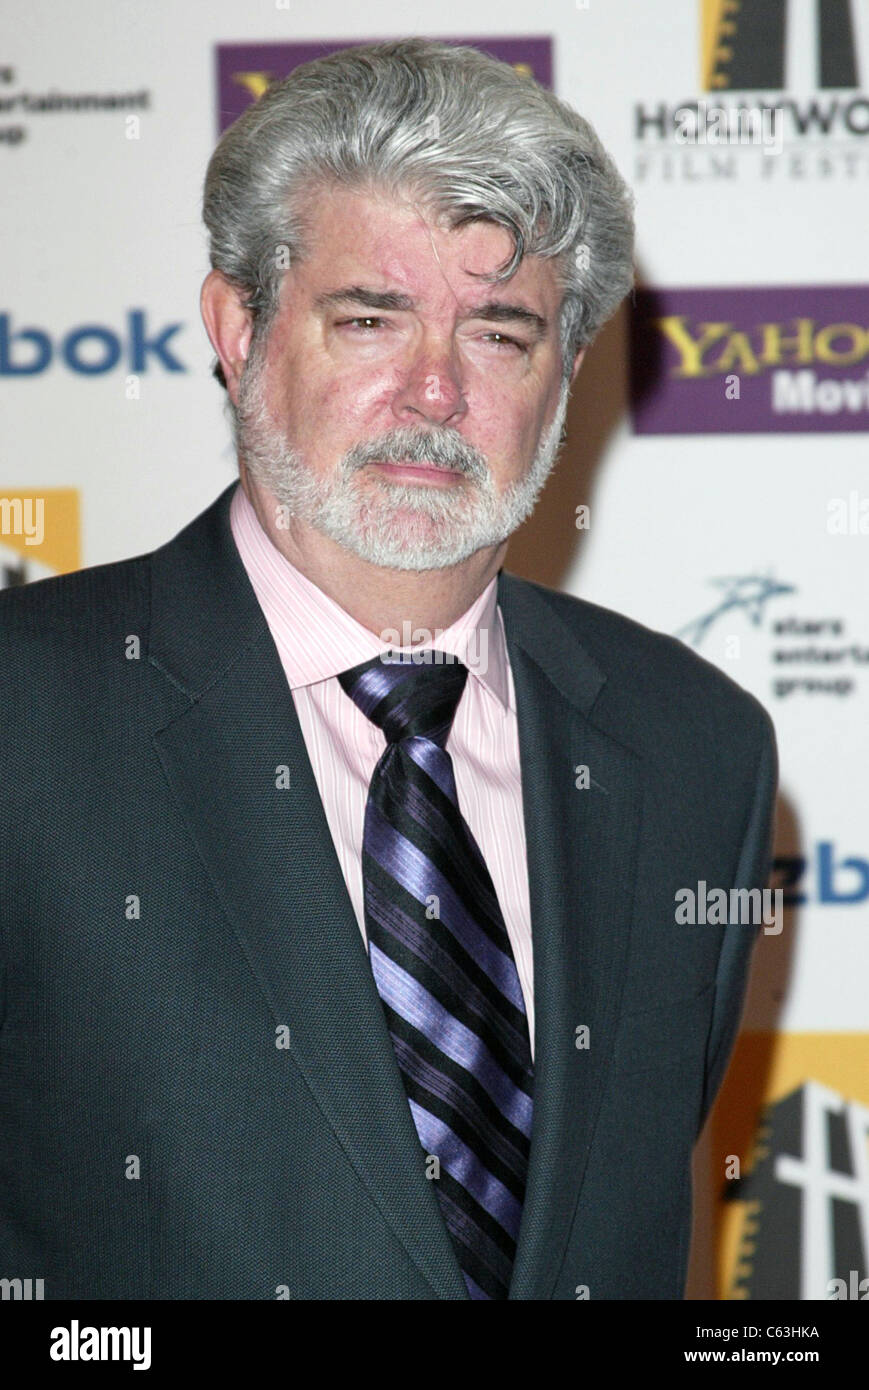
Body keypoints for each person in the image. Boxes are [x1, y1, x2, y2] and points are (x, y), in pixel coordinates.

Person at [0, 38, 777, 1301]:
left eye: (498, 332)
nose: (432, 390)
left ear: (566, 374)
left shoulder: (695, 746)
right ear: (236, 327)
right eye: (370, 318)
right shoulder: (25, 713)